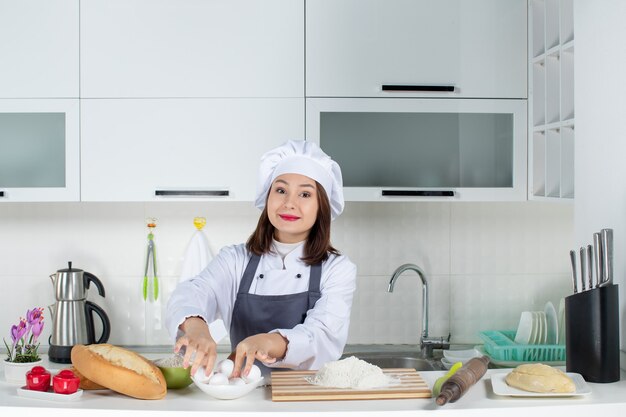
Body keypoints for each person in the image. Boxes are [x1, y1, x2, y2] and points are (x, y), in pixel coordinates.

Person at [165, 140, 357, 379]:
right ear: (267, 197)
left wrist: (268, 341)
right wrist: (197, 327)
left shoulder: (337, 269)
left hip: (306, 396)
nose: (289, 203)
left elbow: (322, 335)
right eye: (280, 190)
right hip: (243, 395)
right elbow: (192, 292)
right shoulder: (235, 260)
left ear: (322, 207)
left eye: (305, 194)